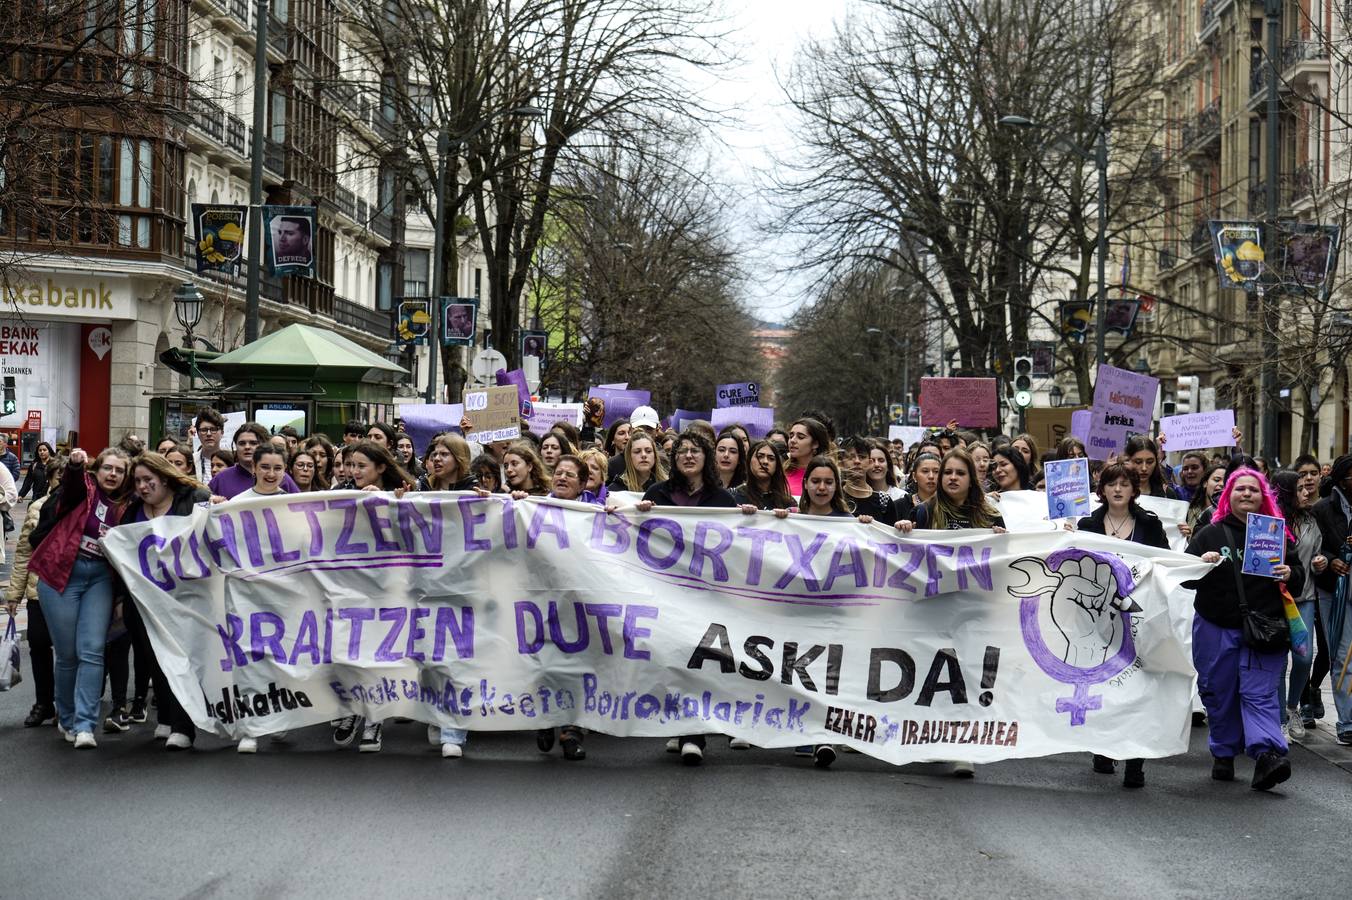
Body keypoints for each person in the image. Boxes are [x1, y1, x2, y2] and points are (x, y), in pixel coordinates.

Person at [1185, 468, 1301, 790]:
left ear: (1263, 495)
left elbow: (1300, 577)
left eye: (1253, 489)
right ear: (1228, 496)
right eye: (1240, 489)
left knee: (1260, 694)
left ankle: (1267, 756)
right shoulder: (1209, 534)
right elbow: (1183, 577)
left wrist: (1289, 572)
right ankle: (1224, 752)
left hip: (1264, 630)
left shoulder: (1276, 534)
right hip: (1215, 627)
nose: (1247, 494)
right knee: (1219, 692)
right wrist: (1200, 562)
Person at [632, 430, 738, 766]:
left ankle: (694, 733)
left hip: (706, 596)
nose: (688, 456)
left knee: (698, 660)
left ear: (706, 458)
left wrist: (752, 519)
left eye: (695, 451)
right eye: (682, 451)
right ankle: (679, 722)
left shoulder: (722, 500)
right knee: (672, 658)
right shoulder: (658, 493)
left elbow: (740, 544)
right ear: (674, 459)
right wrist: (638, 514)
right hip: (665, 592)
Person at [1070, 461, 1168, 788]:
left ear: (1134, 489)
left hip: (1138, 616)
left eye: (1124, 484)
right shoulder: (1088, 524)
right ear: (1102, 489)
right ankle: (1103, 747)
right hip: (1096, 620)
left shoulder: (1149, 525)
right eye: (1111, 484)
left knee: (1136, 688)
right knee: (1104, 685)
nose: (1117, 489)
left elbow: (1166, 564)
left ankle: (1135, 760)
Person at [27, 447, 132, 749]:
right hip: (62, 575)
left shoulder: (127, 505)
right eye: (107, 468)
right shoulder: (81, 492)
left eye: (119, 470)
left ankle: (85, 724)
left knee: (92, 649)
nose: (113, 474)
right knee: (68, 653)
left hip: (100, 577)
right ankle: (68, 716)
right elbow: (72, 485)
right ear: (97, 471)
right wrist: (75, 466)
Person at [120, 453, 210, 750]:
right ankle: (168, 718)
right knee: (154, 659)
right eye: (137, 482)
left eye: (149, 480)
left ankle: (184, 729)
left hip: (185, 600)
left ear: (164, 478)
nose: (143, 487)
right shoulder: (133, 512)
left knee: (181, 660)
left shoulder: (193, 499)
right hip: (144, 602)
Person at [5, 454, 63, 728]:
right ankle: (44, 702)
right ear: (50, 479)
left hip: (70, 590)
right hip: (38, 589)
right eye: (58, 477)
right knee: (39, 644)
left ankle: (66, 704)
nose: (63, 482)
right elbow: (24, 553)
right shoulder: (38, 508)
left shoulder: (84, 507)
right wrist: (14, 595)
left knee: (68, 651)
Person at [1271, 470, 1322, 743]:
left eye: (1308, 488)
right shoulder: (1270, 521)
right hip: (1277, 599)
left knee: (1304, 657)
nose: (1307, 493)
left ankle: (1293, 709)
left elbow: (1317, 553)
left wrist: (1320, 560)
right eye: (1300, 489)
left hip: (1305, 597)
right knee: (1279, 661)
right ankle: (1279, 720)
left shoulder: (1311, 521)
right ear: (1287, 493)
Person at [1312, 454, 1352, 746]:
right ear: (1340, 479)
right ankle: (1348, 722)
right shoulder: (1322, 510)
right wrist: (1331, 558)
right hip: (1334, 592)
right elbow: (1313, 549)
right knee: (1342, 655)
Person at [897, 449, 1006, 533]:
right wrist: (904, 530)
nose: (953, 477)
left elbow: (1003, 557)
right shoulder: (923, 512)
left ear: (971, 480)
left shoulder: (990, 516)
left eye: (960, 473)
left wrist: (999, 540)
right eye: (948, 472)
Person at [209, 423, 299, 499]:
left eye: (253, 443)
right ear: (236, 446)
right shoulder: (221, 479)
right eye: (242, 443)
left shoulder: (282, 479)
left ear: (264, 445)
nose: (247, 447)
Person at [735, 439, 795, 511]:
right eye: (759, 456)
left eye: (771, 458)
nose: (765, 462)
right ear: (749, 461)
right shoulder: (735, 496)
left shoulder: (787, 502)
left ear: (777, 465)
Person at [784, 417, 830, 499]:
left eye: (800, 437)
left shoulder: (828, 474)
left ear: (815, 444)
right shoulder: (781, 472)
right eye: (791, 436)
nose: (792, 440)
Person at [1123, 435, 1176, 499]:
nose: (1144, 468)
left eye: (1150, 462)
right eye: (1138, 462)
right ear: (1127, 461)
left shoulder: (1167, 494)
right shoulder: (1118, 492)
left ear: (1156, 462)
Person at [897, 451, 940, 521]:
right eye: (925, 471)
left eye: (936, 471)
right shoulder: (899, 505)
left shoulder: (949, 506)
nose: (931, 476)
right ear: (914, 476)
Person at [192, 407, 226, 483]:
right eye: (204, 430)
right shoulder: (191, 461)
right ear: (198, 433)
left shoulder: (232, 461)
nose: (209, 434)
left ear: (222, 433)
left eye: (213, 429)